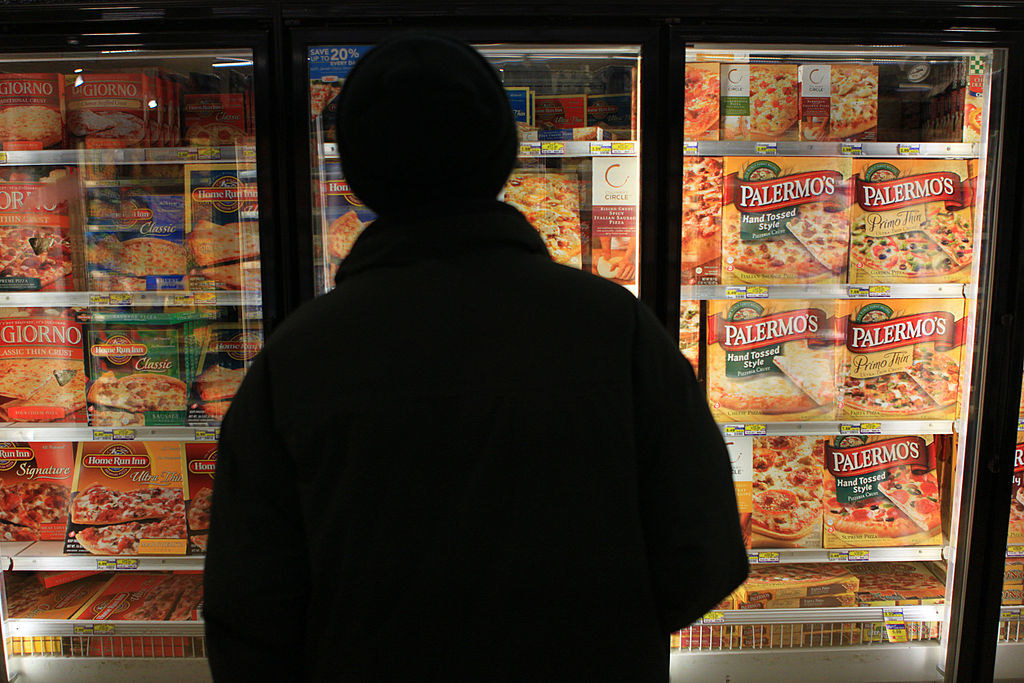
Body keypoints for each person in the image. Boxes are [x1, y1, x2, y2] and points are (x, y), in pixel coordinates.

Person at [204, 33, 747, 682]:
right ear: (504, 155)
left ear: (352, 171)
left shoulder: (294, 357)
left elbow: (246, 616)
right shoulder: (615, 326)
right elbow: (705, 558)